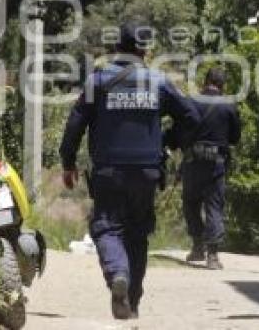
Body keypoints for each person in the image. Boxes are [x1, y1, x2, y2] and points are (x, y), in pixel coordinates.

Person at [59, 22, 200, 320]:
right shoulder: (159, 82)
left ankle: (117, 274)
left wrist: (68, 162)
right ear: (145, 51)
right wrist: (167, 142)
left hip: (108, 172)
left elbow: (74, 125)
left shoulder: (98, 81)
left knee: (107, 227)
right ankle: (132, 302)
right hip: (147, 172)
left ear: (117, 48)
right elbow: (192, 117)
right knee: (138, 234)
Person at [169, 67, 241, 270]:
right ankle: (213, 256)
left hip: (192, 162)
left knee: (190, 204)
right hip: (216, 164)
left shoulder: (191, 102)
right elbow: (235, 138)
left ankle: (197, 246)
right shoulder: (228, 106)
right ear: (222, 85)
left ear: (205, 81)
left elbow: (178, 131)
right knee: (214, 206)